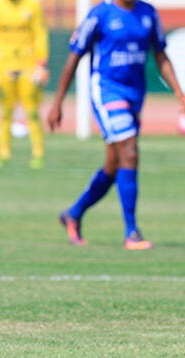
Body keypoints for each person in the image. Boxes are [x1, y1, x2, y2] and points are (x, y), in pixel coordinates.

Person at [48, 0, 185, 249]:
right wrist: (58, 102)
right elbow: (74, 57)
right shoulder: (100, 15)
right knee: (130, 153)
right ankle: (132, 232)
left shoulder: (148, 13)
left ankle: (73, 213)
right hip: (107, 91)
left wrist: (179, 92)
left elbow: (160, 53)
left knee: (115, 165)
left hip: (135, 95)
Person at [0, 0, 49, 169]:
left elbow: (40, 32)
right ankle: (4, 154)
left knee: (32, 110)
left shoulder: (33, 6)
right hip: (3, 66)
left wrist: (41, 62)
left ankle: (38, 154)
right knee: (5, 112)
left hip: (28, 65)